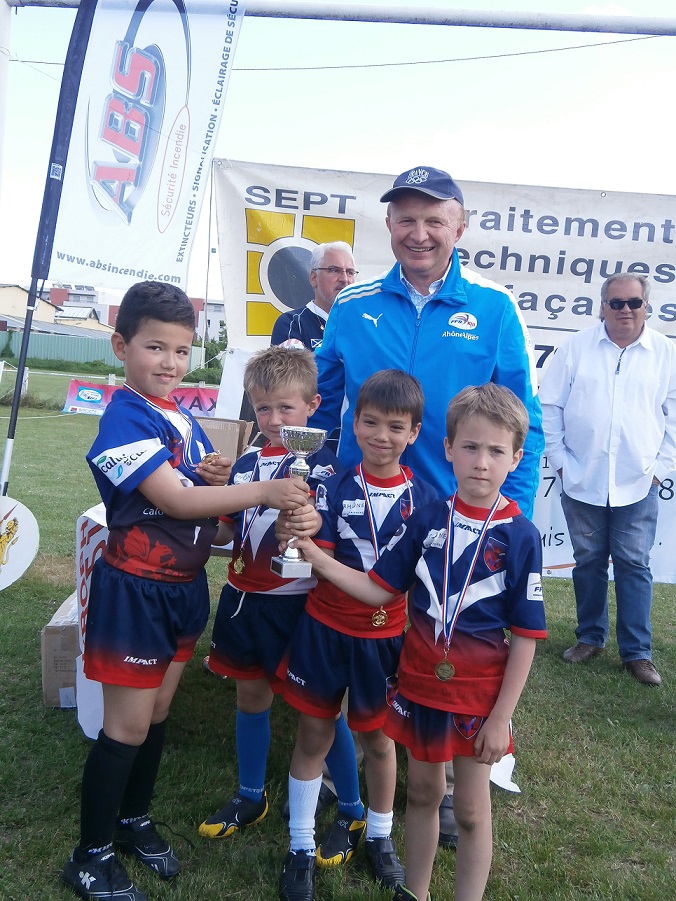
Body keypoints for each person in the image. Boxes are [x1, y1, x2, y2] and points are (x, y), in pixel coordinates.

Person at [310, 164, 545, 848]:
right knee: (365, 641)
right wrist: (316, 487)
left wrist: (508, 516)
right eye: (406, 219)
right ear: (388, 225)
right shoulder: (353, 305)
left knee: (445, 649)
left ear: (459, 227)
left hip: (455, 523)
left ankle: (436, 780)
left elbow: (523, 422)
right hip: (365, 515)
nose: (419, 233)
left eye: (434, 219)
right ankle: (356, 784)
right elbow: (321, 409)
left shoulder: (494, 308)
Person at [62, 282, 311, 901]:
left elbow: (212, 517)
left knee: (157, 716)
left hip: (183, 588)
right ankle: (90, 855)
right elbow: (174, 500)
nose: (170, 362)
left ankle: (133, 820)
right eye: (155, 347)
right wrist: (260, 491)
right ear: (121, 346)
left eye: (181, 350)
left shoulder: (182, 417)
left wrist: (225, 485)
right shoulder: (124, 415)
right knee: (125, 728)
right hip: (137, 590)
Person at [298, 383, 547, 901]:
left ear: (516, 458)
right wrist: (316, 558)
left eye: (496, 451)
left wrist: (501, 717)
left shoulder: (521, 536)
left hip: (477, 695)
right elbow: (378, 589)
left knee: (471, 810)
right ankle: (414, 892)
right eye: (470, 447)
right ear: (448, 448)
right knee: (422, 792)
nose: (481, 462)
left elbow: (526, 636)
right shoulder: (428, 517)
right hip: (418, 682)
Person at [278, 370, 438, 901]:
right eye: (370, 422)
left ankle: (379, 836)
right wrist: (293, 532)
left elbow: (415, 582)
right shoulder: (330, 485)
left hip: (384, 640)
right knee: (313, 737)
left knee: (379, 741)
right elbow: (307, 551)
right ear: (354, 423)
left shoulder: (428, 502)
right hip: (324, 630)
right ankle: (300, 846)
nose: (380, 436)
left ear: (414, 433)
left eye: (395, 427)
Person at [198, 346, 360, 844]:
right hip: (243, 598)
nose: (273, 419)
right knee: (250, 697)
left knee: (320, 710)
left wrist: (311, 523)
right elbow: (227, 531)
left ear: (312, 405)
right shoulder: (245, 463)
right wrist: (197, 506)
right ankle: (251, 795)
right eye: (263, 407)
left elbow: (329, 534)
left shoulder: (324, 465)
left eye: (285, 407)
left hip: (297, 604)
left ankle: (352, 806)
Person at [539, 273, 676, 686]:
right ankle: (590, 638)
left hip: (638, 482)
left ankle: (637, 652)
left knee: (634, 564)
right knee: (588, 562)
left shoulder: (665, 353)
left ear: (646, 307)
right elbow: (549, 406)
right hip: (582, 478)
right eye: (616, 303)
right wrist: (561, 462)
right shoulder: (575, 348)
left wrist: (659, 470)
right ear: (602, 306)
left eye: (634, 302)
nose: (625, 310)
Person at [270, 241, 357, 351]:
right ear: (314, 278)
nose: (344, 279)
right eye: (334, 270)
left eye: (350, 272)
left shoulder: (363, 323)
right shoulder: (292, 323)